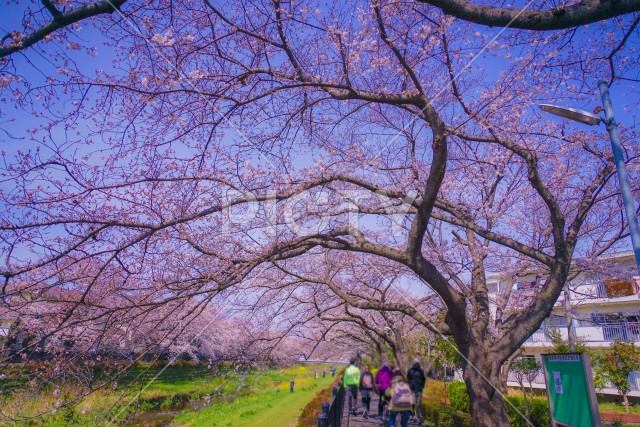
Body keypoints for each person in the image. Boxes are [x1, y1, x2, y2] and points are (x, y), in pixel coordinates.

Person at [407, 358, 426, 424]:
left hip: (419, 390)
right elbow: (408, 378)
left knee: (418, 404)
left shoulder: (421, 371)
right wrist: (410, 385)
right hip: (412, 389)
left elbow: (423, 379)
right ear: (413, 363)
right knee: (412, 403)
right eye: (415, 363)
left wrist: (422, 386)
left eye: (417, 363)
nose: (416, 364)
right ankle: (412, 414)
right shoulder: (410, 370)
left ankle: (419, 418)